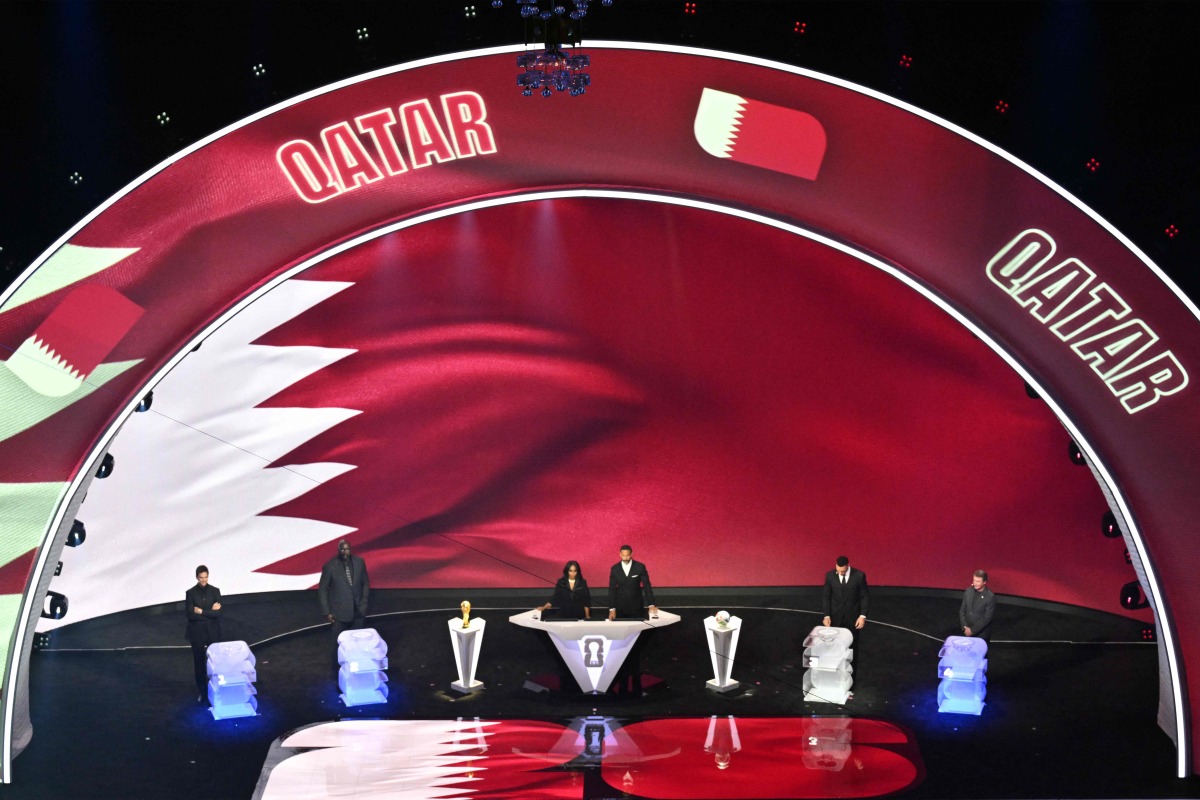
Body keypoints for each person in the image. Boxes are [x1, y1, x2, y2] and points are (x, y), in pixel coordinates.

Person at [318, 539, 370, 669]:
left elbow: (365, 584)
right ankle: (337, 672)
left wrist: (363, 604)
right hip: (339, 613)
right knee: (338, 645)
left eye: (347, 549)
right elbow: (322, 590)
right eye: (342, 549)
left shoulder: (359, 562)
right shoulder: (330, 566)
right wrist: (327, 612)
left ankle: (356, 668)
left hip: (358, 611)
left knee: (357, 644)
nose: (345, 552)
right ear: (338, 550)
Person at [184, 565, 222, 704]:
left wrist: (201, 611)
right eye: (201, 578)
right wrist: (209, 612)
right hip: (197, 633)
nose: (204, 580)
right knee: (199, 664)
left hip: (212, 632)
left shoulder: (215, 591)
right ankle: (203, 693)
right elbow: (190, 615)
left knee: (216, 663)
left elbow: (218, 613)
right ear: (197, 578)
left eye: (205, 577)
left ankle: (217, 690)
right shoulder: (190, 593)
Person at [822, 555, 868, 638]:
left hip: (853, 618)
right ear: (836, 565)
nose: (840, 573)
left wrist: (862, 616)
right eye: (838, 570)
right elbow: (826, 596)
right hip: (835, 617)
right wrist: (827, 616)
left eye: (842, 572)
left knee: (852, 643)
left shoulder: (859, 576)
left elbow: (864, 597)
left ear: (848, 565)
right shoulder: (830, 575)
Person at [608, 545, 657, 620]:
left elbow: (647, 586)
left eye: (627, 555)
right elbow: (612, 589)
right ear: (620, 554)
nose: (625, 557)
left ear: (631, 554)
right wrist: (612, 608)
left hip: (636, 605)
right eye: (623, 555)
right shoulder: (615, 569)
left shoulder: (640, 567)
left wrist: (651, 604)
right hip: (620, 606)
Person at [960, 569, 996, 642]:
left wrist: (972, 631)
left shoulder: (990, 596)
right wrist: (965, 627)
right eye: (974, 580)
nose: (975, 583)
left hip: (981, 635)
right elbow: (962, 610)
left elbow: (987, 618)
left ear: (984, 582)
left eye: (978, 581)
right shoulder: (968, 591)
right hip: (967, 631)